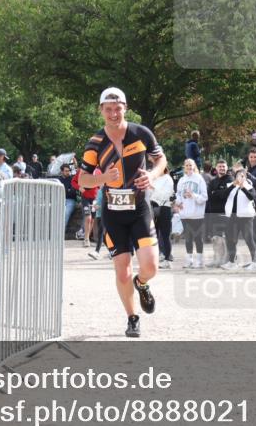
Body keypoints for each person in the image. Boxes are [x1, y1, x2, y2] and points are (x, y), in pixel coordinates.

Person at [78, 87, 167, 338]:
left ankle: (142, 283)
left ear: (125, 108)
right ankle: (132, 318)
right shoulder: (95, 142)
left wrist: (151, 174)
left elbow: (161, 160)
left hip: (139, 209)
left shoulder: (141, 133)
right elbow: (83, 180)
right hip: (113, 214)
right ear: (101, 111)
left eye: (118, 109)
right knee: (122, 270)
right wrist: (104, 177)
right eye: (108, 109)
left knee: (151, 266)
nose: (114, 114)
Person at [222, 169, 256, 271]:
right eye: (238, 175)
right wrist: (233, 185)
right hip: (232, 217)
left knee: (249, 239)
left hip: (246, 217)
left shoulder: (249, 187)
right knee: (231, 240)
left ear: (246, 177)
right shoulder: (232, 186)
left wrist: (243, 187)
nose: (240, 178)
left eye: (242, 176)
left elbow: (251, 197)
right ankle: (232, 262)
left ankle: (255, 262)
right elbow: (223, 195)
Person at [175, 158, 207, 269]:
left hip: (197, 214)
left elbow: (204, 197)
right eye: (187, 165)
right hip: (185, 214)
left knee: (198, 238)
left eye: (191, 165)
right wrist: (179, 201)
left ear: (194, 166)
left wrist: (193, 195)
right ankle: (189, 260)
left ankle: (200, 261)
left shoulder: (199, 179)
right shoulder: (181, 180)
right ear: (184, 167)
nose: (189, 167)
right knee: (188, 238)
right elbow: (178, 195)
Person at [147, 168, 175, 267]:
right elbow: (149, 194)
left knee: (165, 235)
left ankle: (168, 259)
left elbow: (166, 195)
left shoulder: (168, 179)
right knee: (153, 235)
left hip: (164, 208)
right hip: (153, 208)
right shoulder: (154, 179)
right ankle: (157, 257)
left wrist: (153, 189)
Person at [61, 166, 80, 238]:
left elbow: (72, 192)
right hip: (60, 199)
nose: (68, 172)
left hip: (70, 200)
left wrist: (67, 190)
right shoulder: (59, 180)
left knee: (66, 212)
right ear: (62, 171)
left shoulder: (72, 179)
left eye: (68, 171)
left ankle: (61, 232)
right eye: (66, 171)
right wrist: (67, 190)